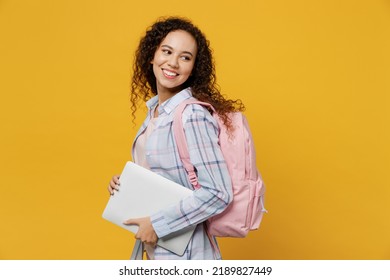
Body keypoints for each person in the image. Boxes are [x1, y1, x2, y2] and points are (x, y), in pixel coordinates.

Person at [108, 17, 245, 260]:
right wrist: (126, 186)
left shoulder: (191, 114)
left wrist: (158, 225)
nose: (173, 63)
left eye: (185, 57)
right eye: (167, 51)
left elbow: (218, 193)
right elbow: (163, 179)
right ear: (152, 55)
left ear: (193, 68)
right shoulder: (155, 112)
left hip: (187, 254)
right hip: (155, 250)